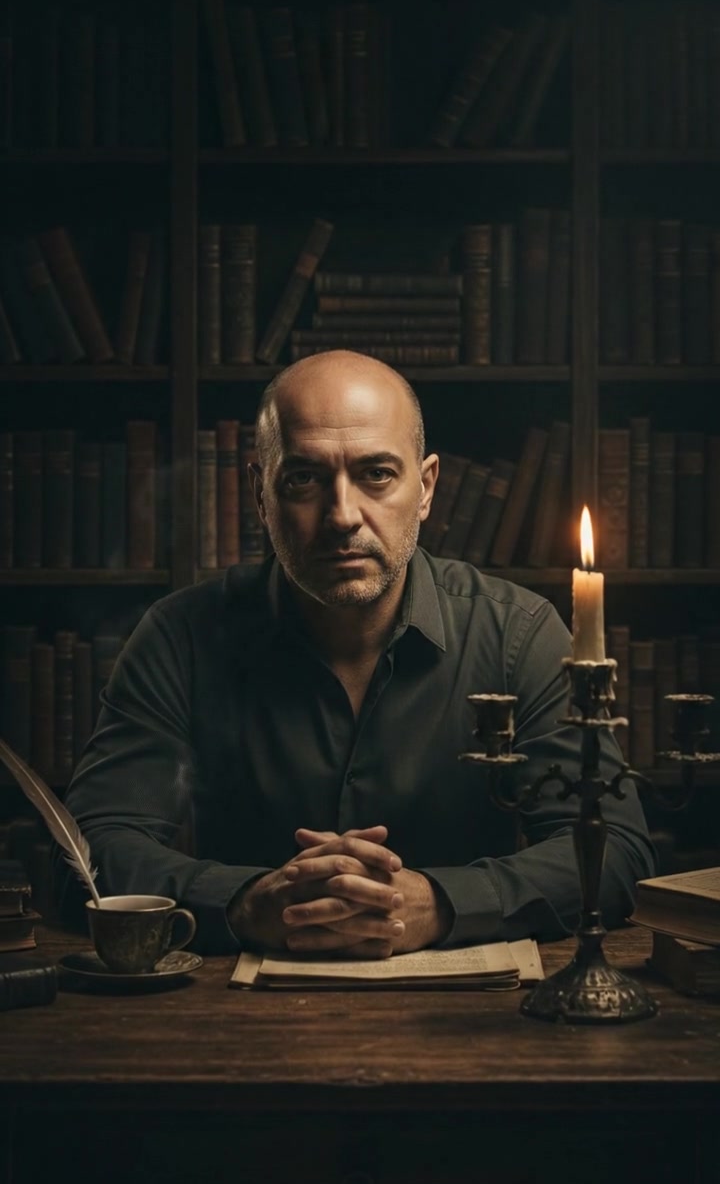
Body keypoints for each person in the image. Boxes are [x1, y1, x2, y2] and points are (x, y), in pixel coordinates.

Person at [51, 349, 656, 957]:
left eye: (377, 474)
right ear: (261, 495)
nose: (342, 516)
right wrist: (245, 902)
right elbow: (88, 849)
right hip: (234, 1005)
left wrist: (440, 904)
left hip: (470, 1006)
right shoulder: (181, 636)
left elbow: (618, 854)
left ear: (426, 488)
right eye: (304, 479)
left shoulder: (517, 634)